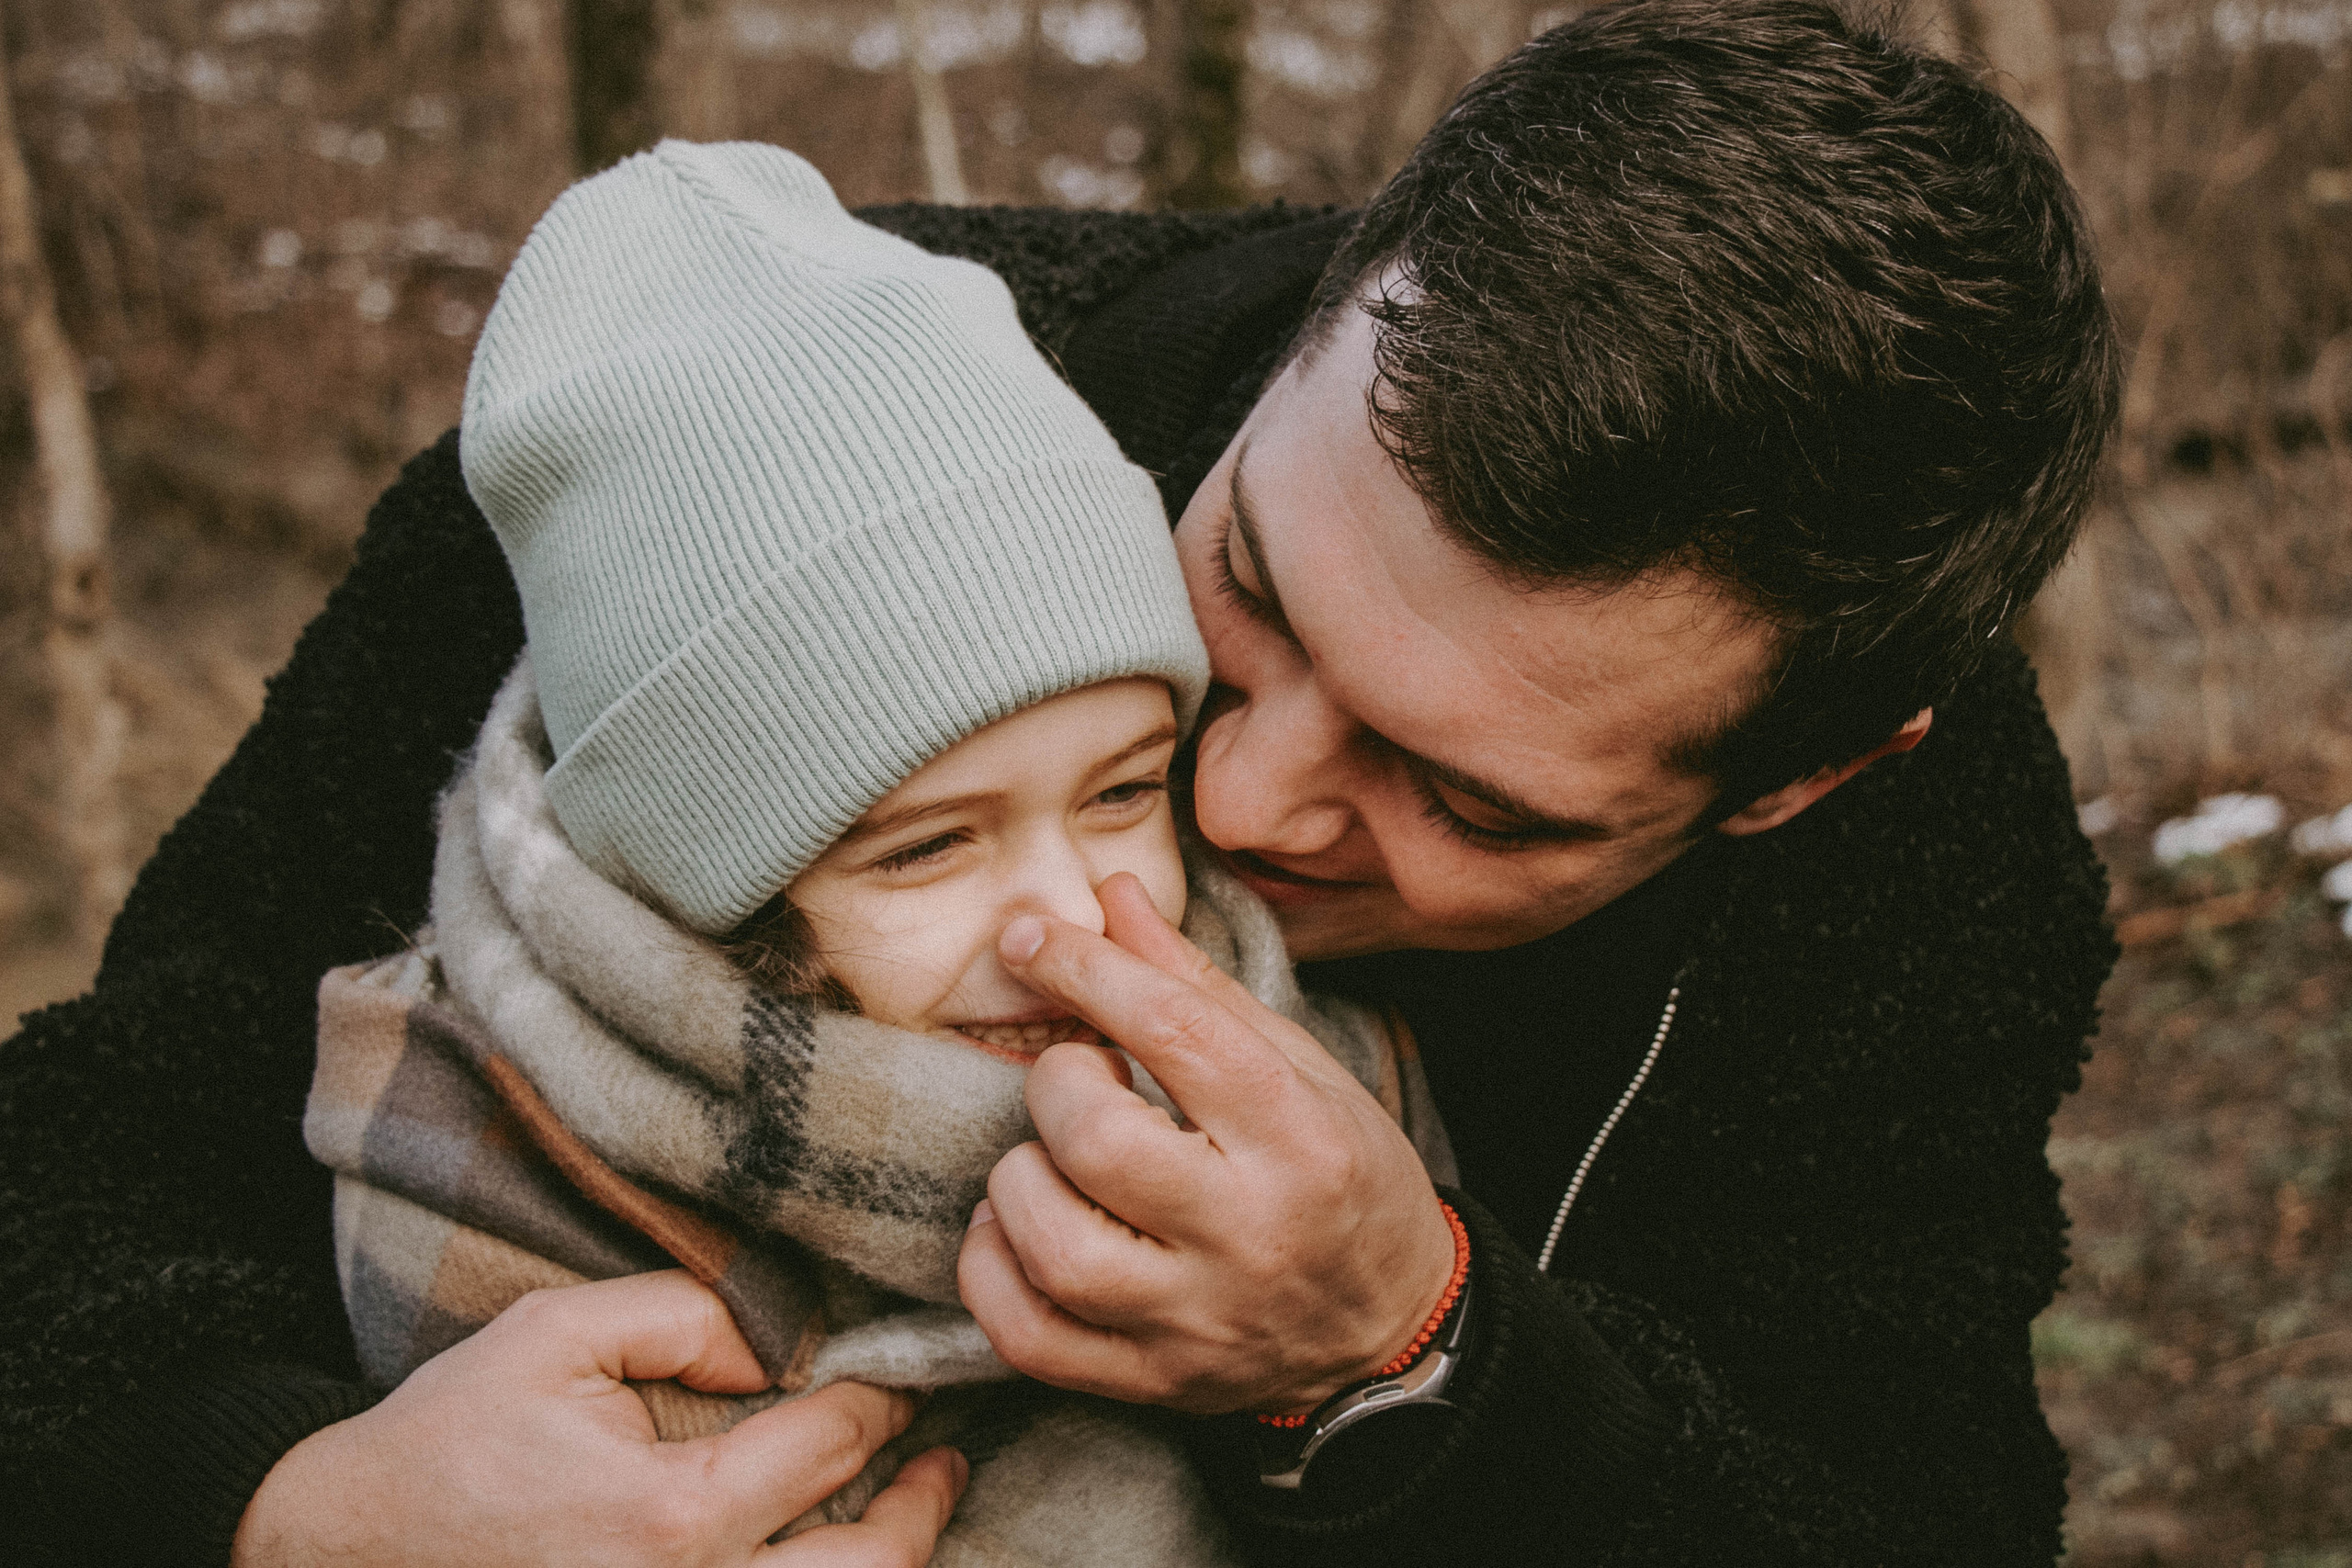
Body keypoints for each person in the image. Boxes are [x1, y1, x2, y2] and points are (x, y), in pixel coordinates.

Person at [3, 3, 2120, 1564]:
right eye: (1248, 591)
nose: (1244, 801)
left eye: (1468, 803)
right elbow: (95, 1143)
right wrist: (286, 1500)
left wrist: (1418, 1351)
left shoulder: (1909, 872)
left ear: (1794, 783)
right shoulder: (694, 468)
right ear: (1319, 315)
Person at [299, 138, 1453, 1567]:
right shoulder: (488, 1156)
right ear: (697, 884)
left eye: (1119, 795)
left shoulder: (1326, 1082)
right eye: (922, 851)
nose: (1069, 922)